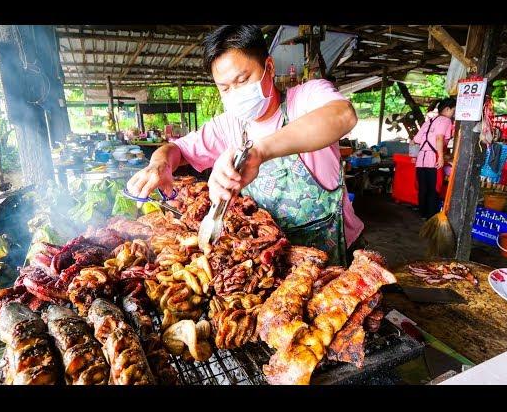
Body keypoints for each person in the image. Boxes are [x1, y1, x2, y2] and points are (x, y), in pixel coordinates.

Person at [126, 25, 364, 265]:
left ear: (268, 67)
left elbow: (343, 116)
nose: (235, 93)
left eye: (242, 80)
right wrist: (159, 164)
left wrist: (259, 151)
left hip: (337, 257)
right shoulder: (228, 125)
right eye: (225, 88)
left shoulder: (306, 98)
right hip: (271, 260)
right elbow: (176, 149)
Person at [412, 97, 456, 220]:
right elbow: (439, 138)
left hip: (421, 159)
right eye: (453, 110)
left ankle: (422, 214)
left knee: (423, 189)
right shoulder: (445, 120)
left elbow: (415, 140)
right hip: (433, 159)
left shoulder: (429, 120)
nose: (453, 113)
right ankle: (431, 217)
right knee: (433, 189)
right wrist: (441, 157)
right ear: (447, 109)